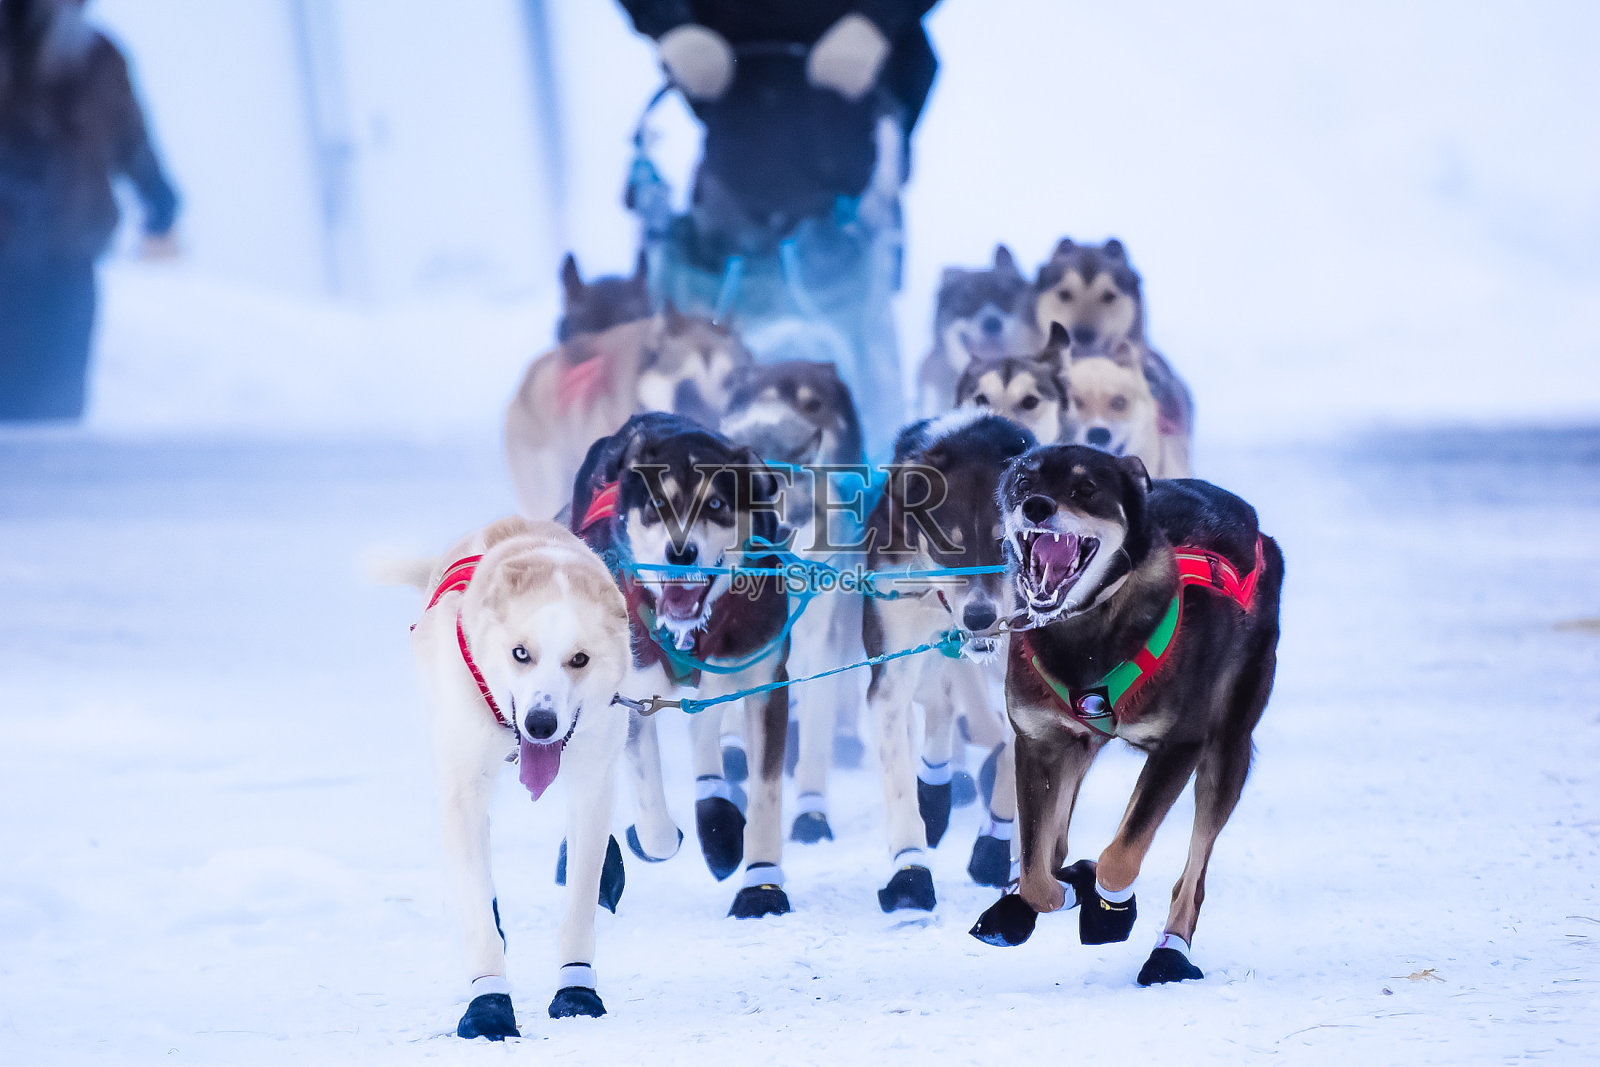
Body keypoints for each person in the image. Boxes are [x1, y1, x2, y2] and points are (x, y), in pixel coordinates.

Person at [618, 2, 939, 453]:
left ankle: (872, 462)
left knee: (851, 326)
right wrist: (669, 25)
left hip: (849, 134)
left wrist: (878, 20)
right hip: (730, 116)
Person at [0, 0, 178, 421]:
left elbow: (129, 135)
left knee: (56, 405)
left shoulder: (97, 58)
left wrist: (158, 193)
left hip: (65, 259)